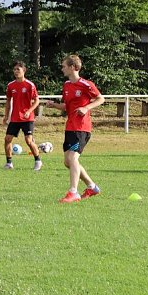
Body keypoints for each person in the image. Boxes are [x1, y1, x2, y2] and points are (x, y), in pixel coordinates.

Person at [44, 54, 105, 203]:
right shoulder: (67, 85)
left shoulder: (85, 84)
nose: (62, 68)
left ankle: (73, 192)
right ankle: (92, 187)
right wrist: (54, 105)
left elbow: (101, 99)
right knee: (68, 162)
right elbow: (67, 106)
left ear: (72, 67)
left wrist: (86, 107)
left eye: (64, 66)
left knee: (72, 158)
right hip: (70, 126)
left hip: (82, 127)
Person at [2, 61, 42, 171]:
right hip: (15, 118)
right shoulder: (11, 85)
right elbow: (8, 101)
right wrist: (6, 116)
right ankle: (9, 163)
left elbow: (37, 100)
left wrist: (29, 111)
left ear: (24, 71)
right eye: (14, 69)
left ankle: (38, 161)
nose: (15, 72)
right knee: (7, 139)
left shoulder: (30, 85)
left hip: (27, 118)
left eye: (18, 69)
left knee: (28, 141)